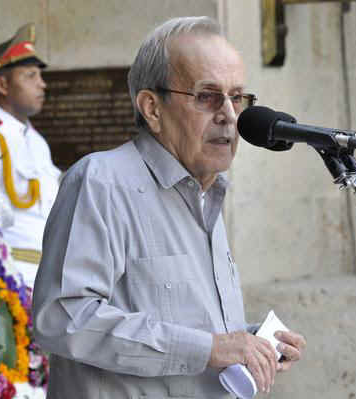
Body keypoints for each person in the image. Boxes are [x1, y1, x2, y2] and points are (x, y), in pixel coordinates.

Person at [32, 16, 306, 399]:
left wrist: (250, 342)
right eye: (208, 96)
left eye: (238, 97)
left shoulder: (207, 193)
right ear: (152, 108)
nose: (229, 114)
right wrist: (210, 348)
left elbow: (180, 327)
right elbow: (62, 317)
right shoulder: (102, 182)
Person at [0, 23, 60, 289]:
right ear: (2, 83)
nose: (42, 84)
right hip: (12, 278)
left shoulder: (36, 140)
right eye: (30, 76)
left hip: (48, 275)